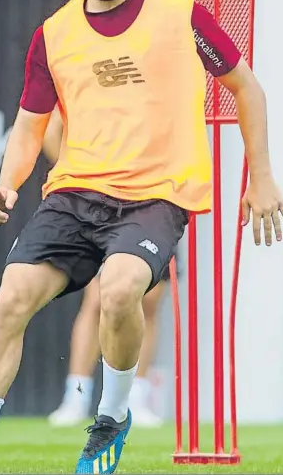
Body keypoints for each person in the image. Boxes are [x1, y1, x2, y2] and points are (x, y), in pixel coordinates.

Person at [0, 0, 283, 474]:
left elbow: (248, 87)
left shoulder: (183, 13)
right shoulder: (55, 33)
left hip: (157, 195)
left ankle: (111, 419)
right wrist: (7, 182)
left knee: (120, 290)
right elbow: (29, 122)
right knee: (11, 297)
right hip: (74, 192)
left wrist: (260, 176)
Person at [42, 107, 170, 428]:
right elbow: (51, 130)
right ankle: (77, 395)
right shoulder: (96, 73)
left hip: (153, 201)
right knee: (97, 299)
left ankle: (135, 398)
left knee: (149, 301)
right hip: (99, 202)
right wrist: (80, 182)